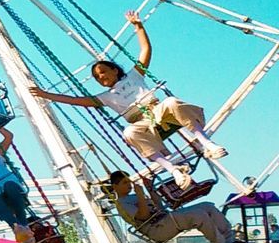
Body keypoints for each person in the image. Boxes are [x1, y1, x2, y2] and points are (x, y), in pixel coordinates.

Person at [28, 11, 228, 189]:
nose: (101, 78)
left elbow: (145, 50)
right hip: (141, 124)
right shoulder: (105, 97)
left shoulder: (134, 75)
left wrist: (138, 27)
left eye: (103, 72)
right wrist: (46, 95)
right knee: (129, 132)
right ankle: (173, 169)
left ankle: (206, 143)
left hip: (158, 111)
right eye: (97, 77)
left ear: (114, 69)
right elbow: (75, 100)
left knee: (172, 103)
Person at [108, 171, 247, 243]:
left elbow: (159, 206)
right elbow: (142, 216)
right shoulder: (122, 203)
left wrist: (150, 190)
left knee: (208, 207)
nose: (129, 185)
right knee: (198, 215)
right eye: (125, 183)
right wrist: (140, 197)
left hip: (164, 220)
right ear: (115, 186)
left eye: (129, 182)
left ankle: (230, 240)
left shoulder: (133, 196)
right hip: (156, 228)